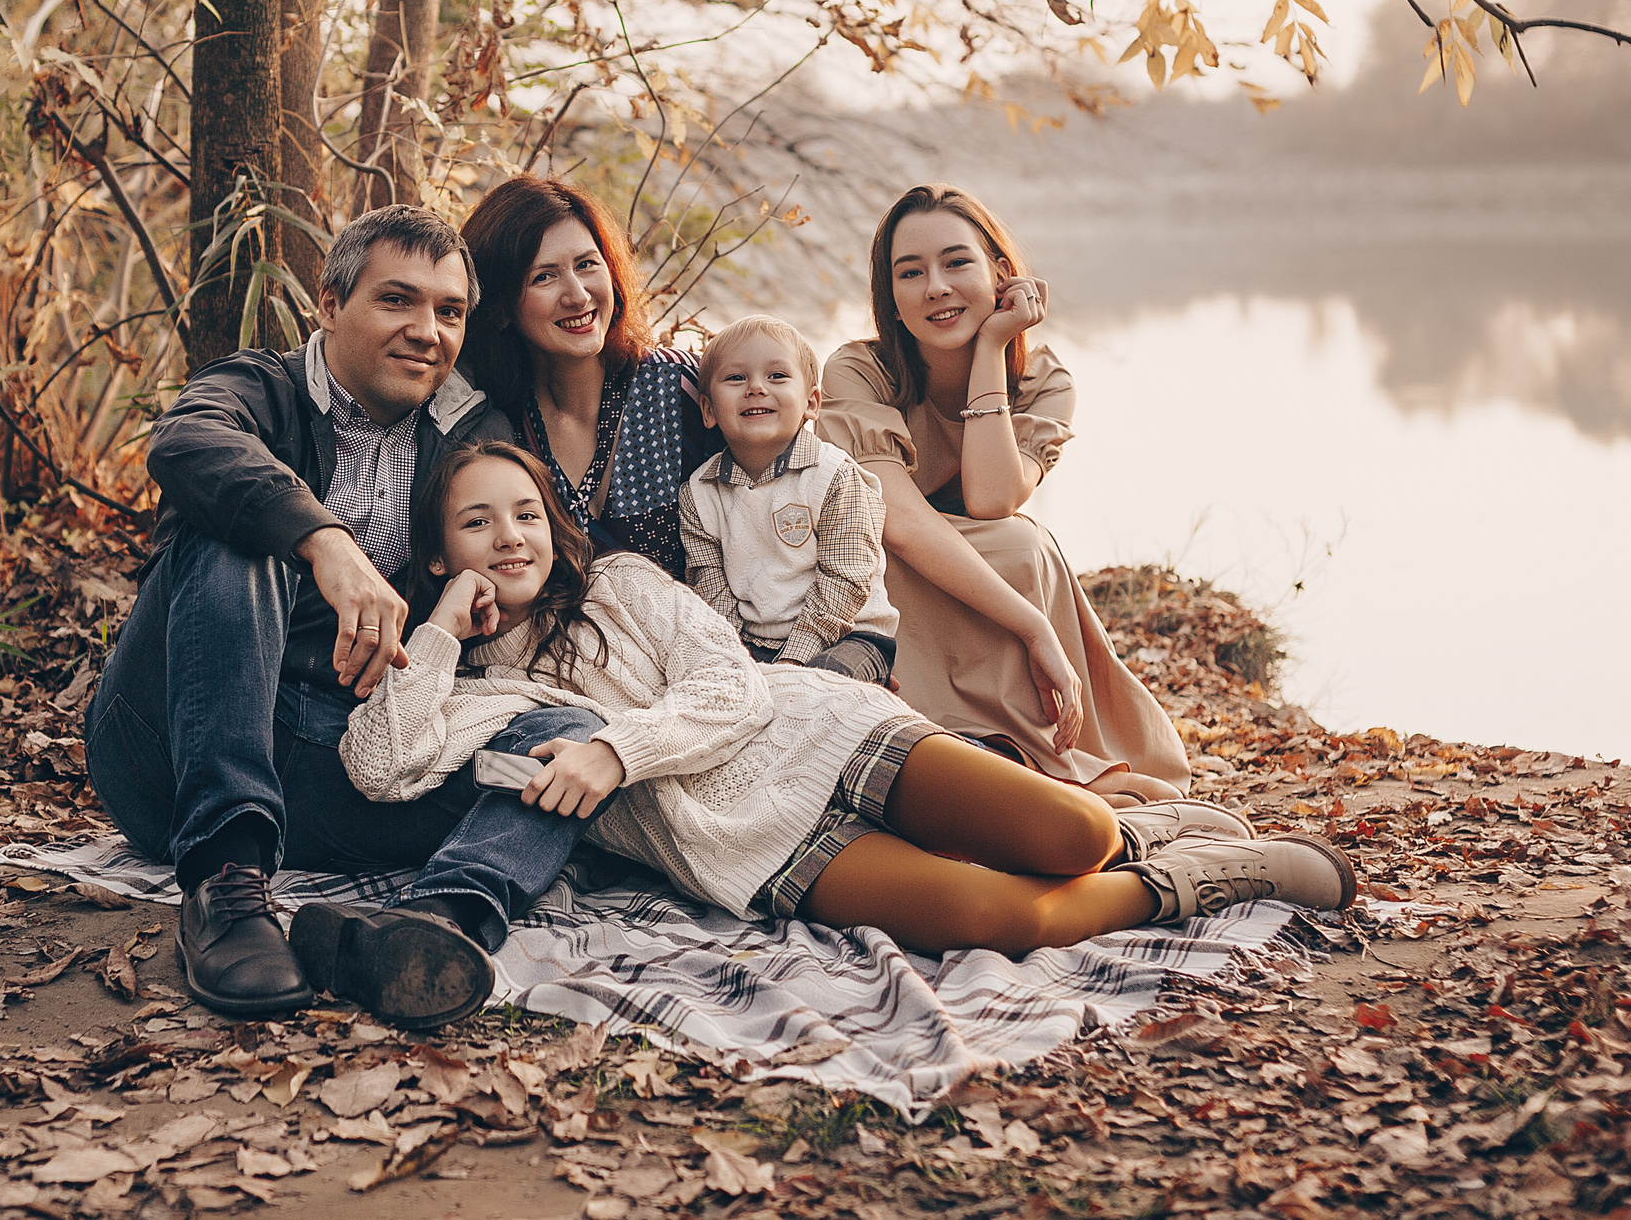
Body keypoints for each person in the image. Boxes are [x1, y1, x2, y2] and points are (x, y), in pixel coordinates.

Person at [340, 442, 1355, 957]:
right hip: (741, 841)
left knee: (1072, 835)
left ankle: (1138, 829)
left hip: (816, 733)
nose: (510, 536)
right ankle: (1206, 877)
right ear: (438, 551)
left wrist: (616, 750)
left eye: (525, 513)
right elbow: (380, 766)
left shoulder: (618, 585)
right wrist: (440, 626)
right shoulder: (472, 690)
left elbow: (731, 686)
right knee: (996, 915)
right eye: (478, 523)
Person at [85, 207, 605, 1029]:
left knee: (567, 735)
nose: (427, 331)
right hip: (174, 754)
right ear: (328, 305)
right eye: (397, 300)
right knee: (236, 534)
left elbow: (524, 557)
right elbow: (186, 440)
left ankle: (430, 925)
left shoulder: (470, 432)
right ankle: (226, 879)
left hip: (340, 757)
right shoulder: (261, 386)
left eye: (449, 311)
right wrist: (325, 542)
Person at [819, 184, 1192, 804]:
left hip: (980, 575)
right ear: (892, 298)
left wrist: (992, 347)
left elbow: (991, 500)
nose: (936, 287)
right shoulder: (859, 372)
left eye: (956, 262)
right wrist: (1034, 627)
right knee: (1015, 549)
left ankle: (1038, 749)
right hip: (882, 573)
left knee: (1018, 543)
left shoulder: (1043, 380)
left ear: (1000, 274)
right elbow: (898, 524)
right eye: (910, 273)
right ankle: (990, 747)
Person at [458, 173, 719, 580]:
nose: (578, 295)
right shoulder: (493, 427)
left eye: (586, 265)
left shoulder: (683, 387)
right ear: (501, 306)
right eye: (544, 276)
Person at [676, 315, 898, 685]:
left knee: (818, 689)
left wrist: (792, 664)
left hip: (848, 635)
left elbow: (845, 581)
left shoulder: (835, 477)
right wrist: (736, 660)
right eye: (736, 378)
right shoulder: (699, 494)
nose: (756, 388)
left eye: (777, 376)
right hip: (752, 642)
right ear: (709, 410)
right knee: (717, 689)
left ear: (811, 403)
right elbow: (710, 589)